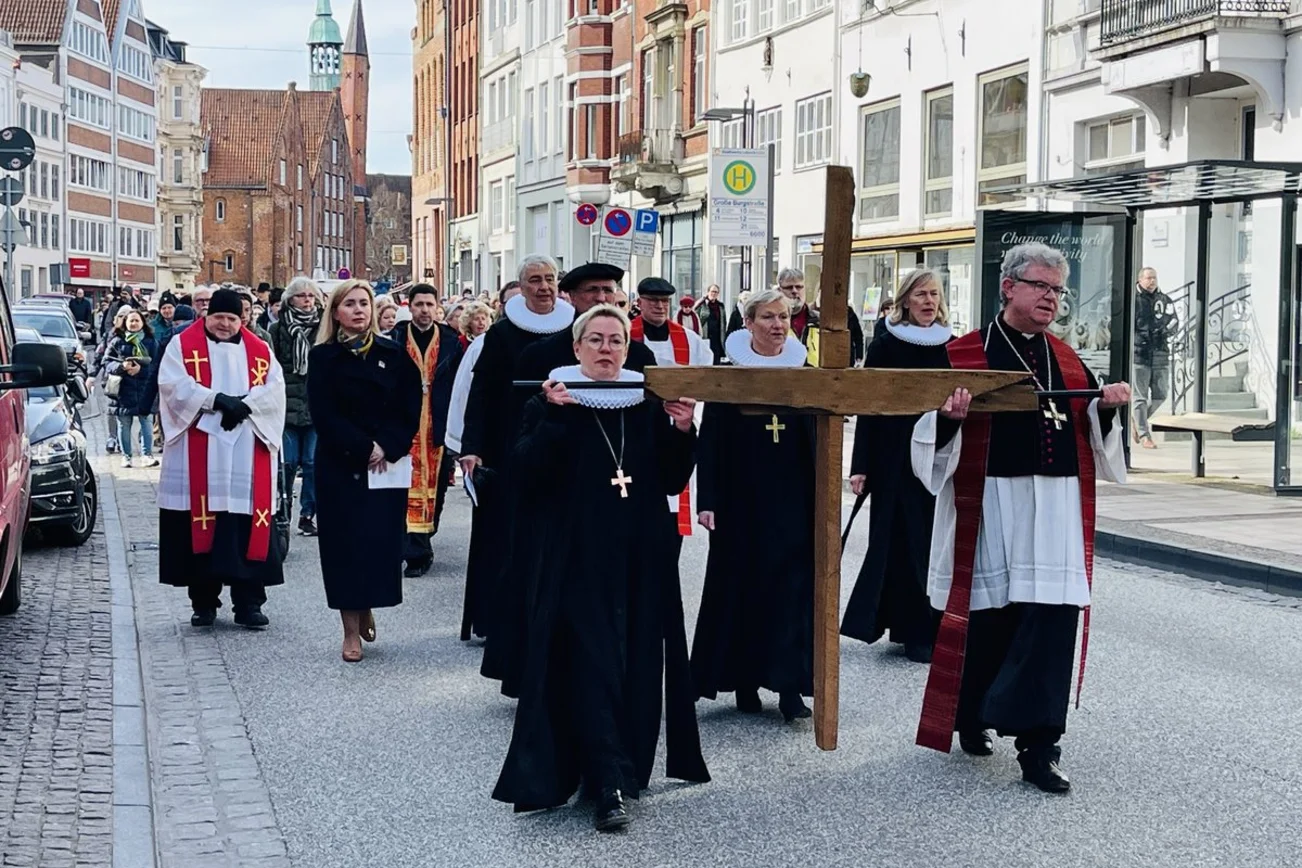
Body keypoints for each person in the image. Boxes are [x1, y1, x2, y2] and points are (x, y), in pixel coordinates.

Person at [911, 242, 1129, 794]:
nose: (1052, 299)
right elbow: (923, 438)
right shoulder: (961, 354)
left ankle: (1039, 746)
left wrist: (1105, 408)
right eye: (1041, 287)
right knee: (988, 617)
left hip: (1054, 508)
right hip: (989, 504)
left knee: (1052, 620)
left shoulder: (1070, 358)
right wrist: (949, 419)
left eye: (1058, 290)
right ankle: (971, 714)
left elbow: (1092, 437)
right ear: (1009, 287)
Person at [492, 304, 709, 830]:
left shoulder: (642, 401)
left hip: (641, 553)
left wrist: (682, 431)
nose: (607, 349)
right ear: (577, 348)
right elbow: (525, 473)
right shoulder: (550, 399)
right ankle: (606, 782)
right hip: (576, 556)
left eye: (616, 340)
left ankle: (620, 767)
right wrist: (557, 419)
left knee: (634, 661)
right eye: (596, 340)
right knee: (590, 662)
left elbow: (669, 480)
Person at [690, 288, 815, 723]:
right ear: (748, 324)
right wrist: (708, 500)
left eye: (783, 316)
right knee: (740, 590)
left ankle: (789, 687)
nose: (777, 325)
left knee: (791, 595)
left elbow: (820, 438)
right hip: (741, 502)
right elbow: (711, 442)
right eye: (767, 317)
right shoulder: (730, 373)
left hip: (793, 502)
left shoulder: (806, 371)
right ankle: (743, 680)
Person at [458, 255, 574, 648]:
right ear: (521, 288)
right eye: (535, 281)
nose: (544, 287)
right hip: (508, 440)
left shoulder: (577, 327)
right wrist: (471, 447)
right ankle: (495, 615)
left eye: (550, 279)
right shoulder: (503, 333)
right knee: (503, 532)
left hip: (562, 439)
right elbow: (482, 394)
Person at [156, 288, 287, 629]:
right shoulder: (182, 346)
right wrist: (216, 401)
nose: (225, 325)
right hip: (198, 450)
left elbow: (275, 389)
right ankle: (204, 603)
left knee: (245, 529)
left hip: (246, 450)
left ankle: (249, 604)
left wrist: (245, 406)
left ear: (242, 318)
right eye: (219, 318)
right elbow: (171, 386)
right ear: (206, 316)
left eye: (232, 318)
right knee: (201, 528)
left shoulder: (260, 350)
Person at [308, 280, 423, 662]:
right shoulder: (324, 357)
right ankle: (350, 630)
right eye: (350, 304)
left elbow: (409, 408)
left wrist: (386, 445)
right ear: (336, 312)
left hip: (384, 465)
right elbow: (324, 414)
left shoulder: (393, 353)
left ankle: (366, 602)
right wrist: (361, 447)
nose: (359, 311)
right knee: (344, 546)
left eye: (364, 304)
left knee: (377, 543)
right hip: (341, 464)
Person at [842, 269, 952, 664]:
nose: (928, 302)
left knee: (935, 543)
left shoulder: (950, 345)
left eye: (934, 294)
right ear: (905, 300)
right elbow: (870, 408)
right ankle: (911, 629)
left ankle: (935, 624)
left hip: (939, 457)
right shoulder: (886, 345)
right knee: (903, 544)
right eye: (920, 294)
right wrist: (861, 465)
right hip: (895, 460)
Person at [629, 277, 712, 556]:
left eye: (664, 301)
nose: (660, 306)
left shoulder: (689, 339)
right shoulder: (625, 336)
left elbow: (706, 379)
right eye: (653, 301)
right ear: (639, 302)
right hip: (639, 430)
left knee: (671, 518)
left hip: (677, 428)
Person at [390, 284, 462, 578]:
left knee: (436, 489)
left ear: (437, 307)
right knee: (401, 488)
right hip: (404, 426)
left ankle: (423, 545)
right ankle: (407, 547)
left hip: (438, 425)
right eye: (419, 304)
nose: (424, 310)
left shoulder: (451, 341)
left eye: (429, 304)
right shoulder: (394, 339)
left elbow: (460, 385)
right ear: (410, 307)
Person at [268, 277, 323, 536]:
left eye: (311, 296)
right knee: (288, 462)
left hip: (314, 404)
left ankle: (308, 513)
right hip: (287, 405)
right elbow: (272, 366)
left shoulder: (323, 327)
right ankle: (283, 508)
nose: (307, 300)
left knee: (312, 462)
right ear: (290, 299)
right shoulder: (277, 329)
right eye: (302, 296)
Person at [1132, 267, 1178, 450]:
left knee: (1162, 394)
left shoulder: (1164, 299)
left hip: (1160, 353)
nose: (1152, 281)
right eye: (1148, 278)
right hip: (1140, 355)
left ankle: (1137, 421)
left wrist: (1166, 332)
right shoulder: (1134, 300)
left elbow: (1174, 320)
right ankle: (1144, 435)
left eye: (1154, 278)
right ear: (1140, 280)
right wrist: (1141, 338)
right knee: (1139, 397)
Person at [108, 310, 160, 469]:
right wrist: (121, 367)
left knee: (147, 423)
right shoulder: (117, 341)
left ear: (143, 323)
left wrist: (141, 370)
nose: (134, 324)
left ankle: (146, 455)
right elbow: (107, 363)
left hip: (146, 388)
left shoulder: (151, 342)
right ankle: (126, 456)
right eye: (131, 321)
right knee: (124, 424)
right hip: (124, 390)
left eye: (137, 320)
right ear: (125, 323)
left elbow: (157, 366)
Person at [778, 267, 820, 363]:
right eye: (789, 287)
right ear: (779, 291)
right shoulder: (772, 322)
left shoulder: (819, 320)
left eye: (799, 287)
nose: (794, 291)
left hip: (816, 375)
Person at [694, 284, 726, 363]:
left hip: (717, 338)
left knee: (716, 361)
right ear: (708, 292)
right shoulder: (701, 304)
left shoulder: (720, 306)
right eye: (712, 291)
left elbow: (723, 322)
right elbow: (696, 319)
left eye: (716, 292)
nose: (714, 294)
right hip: (705, 337)